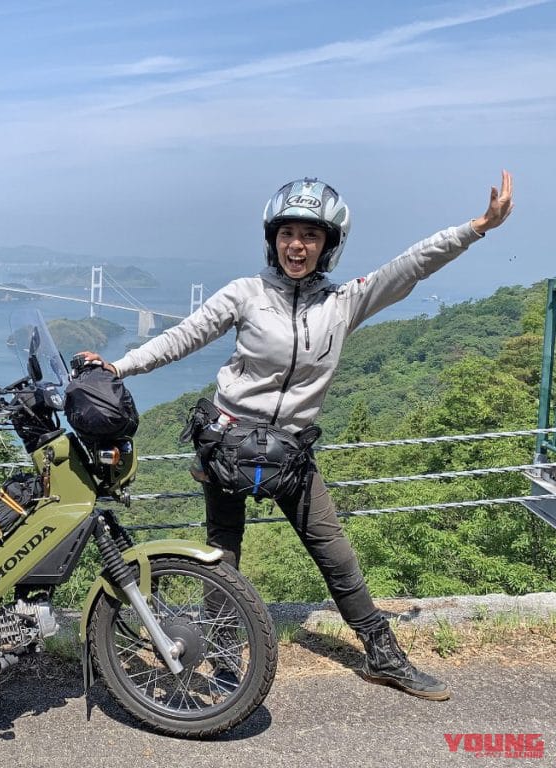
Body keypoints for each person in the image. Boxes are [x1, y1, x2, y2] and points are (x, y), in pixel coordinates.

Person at [80, 171, 514, 701]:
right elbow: (182, 336)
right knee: (224, 550)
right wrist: (119, 367)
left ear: (329, 244)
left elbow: (410, 267)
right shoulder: (245, 294)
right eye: (288, 233)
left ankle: (382, 653)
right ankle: (221, 656)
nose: (297, 245)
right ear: (272, 238)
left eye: (311, 235)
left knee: (333, 550)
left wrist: (478, 227)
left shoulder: (344, 302)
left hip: (292, 452)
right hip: (228, 443)